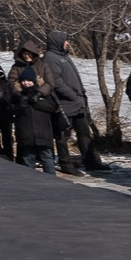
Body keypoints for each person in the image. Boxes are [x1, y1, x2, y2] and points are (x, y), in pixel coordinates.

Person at [41, 31, 106, 175]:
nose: (67, 43)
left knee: (84, 133)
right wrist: (72, 95)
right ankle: (65, 163)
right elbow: (56, 82)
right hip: (65, 104)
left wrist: (80, 96)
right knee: (63, 136)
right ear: (57, 42)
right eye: (65, 41)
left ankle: (91, 161)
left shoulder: (64, 56)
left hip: (78, 103)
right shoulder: (50, 58)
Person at [11, 67, 61, 173]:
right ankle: (31, 182)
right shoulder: (17, 96)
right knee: (28, 158)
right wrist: (22, 104)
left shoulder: (43, 94)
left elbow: (52, 107)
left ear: (34, 81)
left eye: (29, 81)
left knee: (47, 158)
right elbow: (11, 110)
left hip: (43, 134)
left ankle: (51, 180)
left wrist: (36, 102)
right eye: (23, 81)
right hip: (26, 134)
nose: (26, 83)